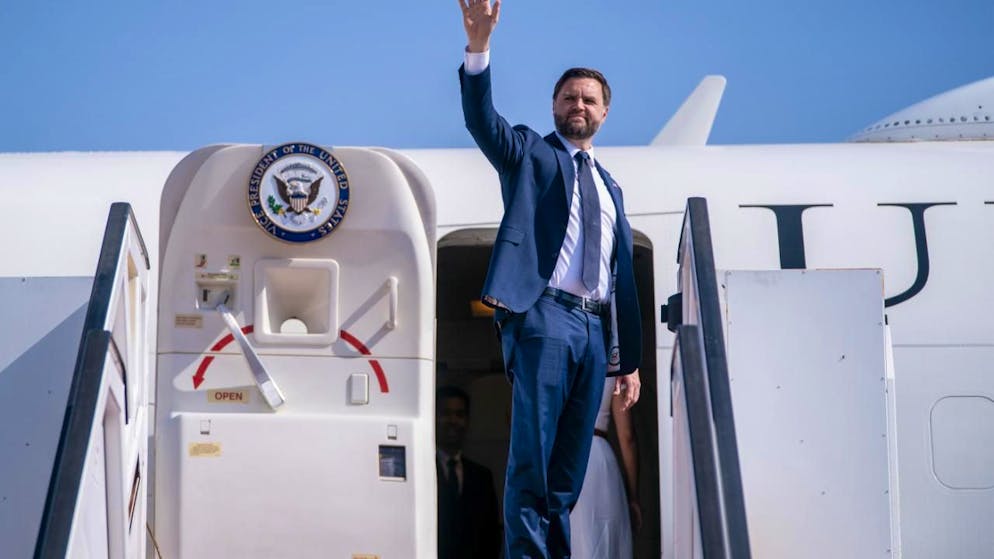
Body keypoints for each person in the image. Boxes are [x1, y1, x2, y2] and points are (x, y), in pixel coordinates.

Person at [457, 1, 643, 557]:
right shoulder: (530, 154)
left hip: (592, 333)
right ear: (554, 107)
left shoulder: (611, 188)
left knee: (568, 475)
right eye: (569, 97)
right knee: (533, 462)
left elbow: (620, 279)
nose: (578, 105)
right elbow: (480, 120)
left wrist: (626, 360)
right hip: (545, 316)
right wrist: (478, 48)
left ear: (605, 113)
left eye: (589, 99)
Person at [569, 382, 641, 558]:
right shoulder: (613, 356)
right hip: (599, 461)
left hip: (565, 458)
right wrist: (632, 497)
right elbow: (627, 437)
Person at [436, 385, 502, 559]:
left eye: (459, 414)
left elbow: (491, 536)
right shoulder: (420, 471)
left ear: (467, 421)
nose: (453, 420)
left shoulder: (482, 477)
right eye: (445, 413)